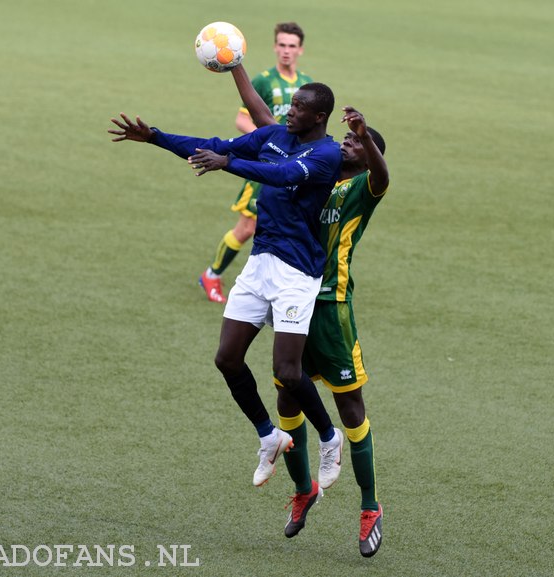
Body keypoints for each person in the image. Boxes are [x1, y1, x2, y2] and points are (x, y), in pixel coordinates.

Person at [109, 73, 344, 491]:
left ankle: (330, 438)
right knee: (227, 359)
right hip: (259, 265)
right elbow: (213, 147)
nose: (290, 111)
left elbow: (284, 174)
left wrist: (231, 165)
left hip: (296, 274)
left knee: (288, 372)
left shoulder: (326, 154)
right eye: (290, 106)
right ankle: (269, 436)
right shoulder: (273, 135)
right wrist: (155, 137)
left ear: (319, 116)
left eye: (299, 108)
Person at [233, 68, 389, 557]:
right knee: (287, 399)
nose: (347, 144)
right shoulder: (315, 165)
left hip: (331, 311)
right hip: (290, 299)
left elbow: (384, 175)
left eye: (356, 143)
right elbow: (270, 122)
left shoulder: (364, 187)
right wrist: (237, 67)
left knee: (350, 409)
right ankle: (303, 491)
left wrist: (370, 141)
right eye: (345, 137)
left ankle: (370, 506)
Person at [199, 22, 313, 304]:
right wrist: (271, 142)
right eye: (282, 45)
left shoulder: (306, 85)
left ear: (300, 50)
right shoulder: (263, 81)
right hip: (266, 165)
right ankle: (212, 274)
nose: (286, 51)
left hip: (290, 170)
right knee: (247, 228)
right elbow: (241, 119)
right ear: (276, 47)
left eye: (292, 46)